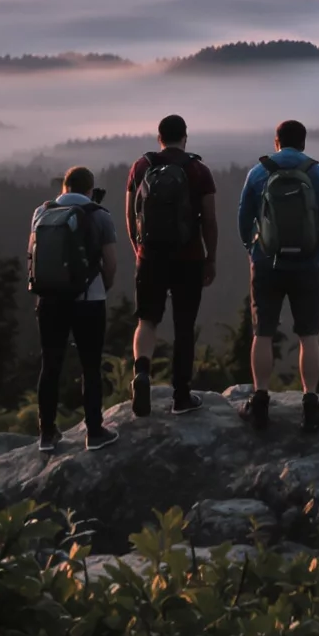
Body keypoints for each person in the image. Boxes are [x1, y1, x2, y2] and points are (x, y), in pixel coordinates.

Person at [236, 119, 319, 432]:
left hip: (266, 263)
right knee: (308, 334)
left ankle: (259, 403)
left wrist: (252, 250)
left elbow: (244, 220)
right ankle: (310, 404)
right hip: (309, 265)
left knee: (263, 333)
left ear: (276, 142)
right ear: (304, 143)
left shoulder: (258, 174)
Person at [124, 112, 219, 416]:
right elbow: (210, 220)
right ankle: (181, 396)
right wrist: (210, 258)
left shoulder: (141, 167)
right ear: (185, 137)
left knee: (147, 320)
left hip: (149, 257)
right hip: (188, 259)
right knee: (184, 326)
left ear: (159, 138)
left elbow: (130, 214)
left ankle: (141, 372)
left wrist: (138, 249)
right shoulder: (198, 170)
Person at [27, 165, 120, 451]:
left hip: (49, 299)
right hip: (88, 300)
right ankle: (94, 431)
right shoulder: (99, 215)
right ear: (90, 189)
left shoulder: (41, 213)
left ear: (64, 188)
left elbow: (33, 252)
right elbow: (111, 262)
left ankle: (46, 434)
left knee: (51, 364)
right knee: (90, 365)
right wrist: (102, 286)